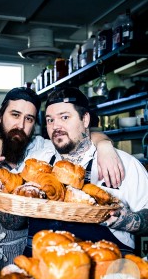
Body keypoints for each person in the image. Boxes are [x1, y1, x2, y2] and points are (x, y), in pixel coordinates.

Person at [0, 87, 124, 271]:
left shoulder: (41, 149)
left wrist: (104, 145)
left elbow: (77, 136)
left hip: (22, 259)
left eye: (29, 119)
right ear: (0, 117)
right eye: (15, 115)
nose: (21, 125)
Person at [20, 86, 148, 257]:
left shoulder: (124, 164)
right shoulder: (38, 161)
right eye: (50, 120)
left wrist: (121, 220)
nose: (55, 126)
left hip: (104, 276)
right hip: (39, 271)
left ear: (85, 120)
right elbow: (12, 223)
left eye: (64, 117)